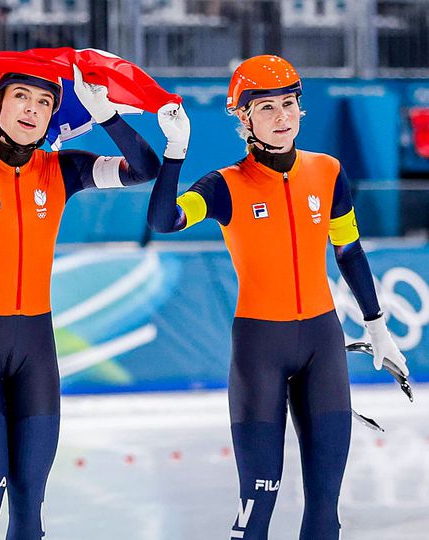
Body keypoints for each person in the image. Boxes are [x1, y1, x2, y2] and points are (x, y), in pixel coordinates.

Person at [147, 55, 409, 540]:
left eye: (289, 104)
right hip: (259, 349)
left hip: (322, 344)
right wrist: (175, 153)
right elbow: (164, 221)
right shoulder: (224, 186)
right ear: (243, 118)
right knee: (258, 503)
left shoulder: (328, 173)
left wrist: (377, 328)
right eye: (266, 107)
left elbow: (348, 250)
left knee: (325, 507)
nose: (282, 116)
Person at [0, 66, 161, 539]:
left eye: (44, 102)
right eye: (21, 97)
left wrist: (107, 115)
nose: (32, 109)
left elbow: (144, 169)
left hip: (35, 348)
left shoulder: (63, 170)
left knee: (29, 504)